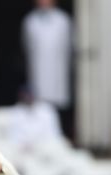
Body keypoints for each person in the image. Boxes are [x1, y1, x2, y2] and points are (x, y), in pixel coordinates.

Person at [22, 0, 74, 140]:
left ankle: (61, 136)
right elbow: (27, 46)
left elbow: (69, 46)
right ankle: (41, 137)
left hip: (58, 69)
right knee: (39, 105)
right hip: (38, 69)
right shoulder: (30, 21)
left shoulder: (63, 20)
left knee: (58, 104)